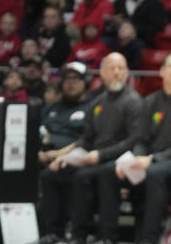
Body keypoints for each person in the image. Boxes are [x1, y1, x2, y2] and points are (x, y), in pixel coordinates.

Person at [96, 50, 171, 244]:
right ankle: (107, 237)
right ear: (161, 71)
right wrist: (133, 159)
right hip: (150, 160)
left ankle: (148, 238)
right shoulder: (150, 101)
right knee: (109, 171)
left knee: (154, 173)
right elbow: (141, 139)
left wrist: (152, 159)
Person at [42, 53, 142, 243]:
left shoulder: (133, 101)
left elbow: (135, 140)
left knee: (87, 176)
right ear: (102, 73)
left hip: (120, 160)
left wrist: (100, 155)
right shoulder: (97, 102)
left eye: (121, 68)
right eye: (112, 68)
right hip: (94, 158)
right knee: (51, 174)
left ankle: (94, 236)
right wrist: (67, 157)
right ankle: (55, 233)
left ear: (127, 73)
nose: (116, 73)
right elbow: (86, 139)